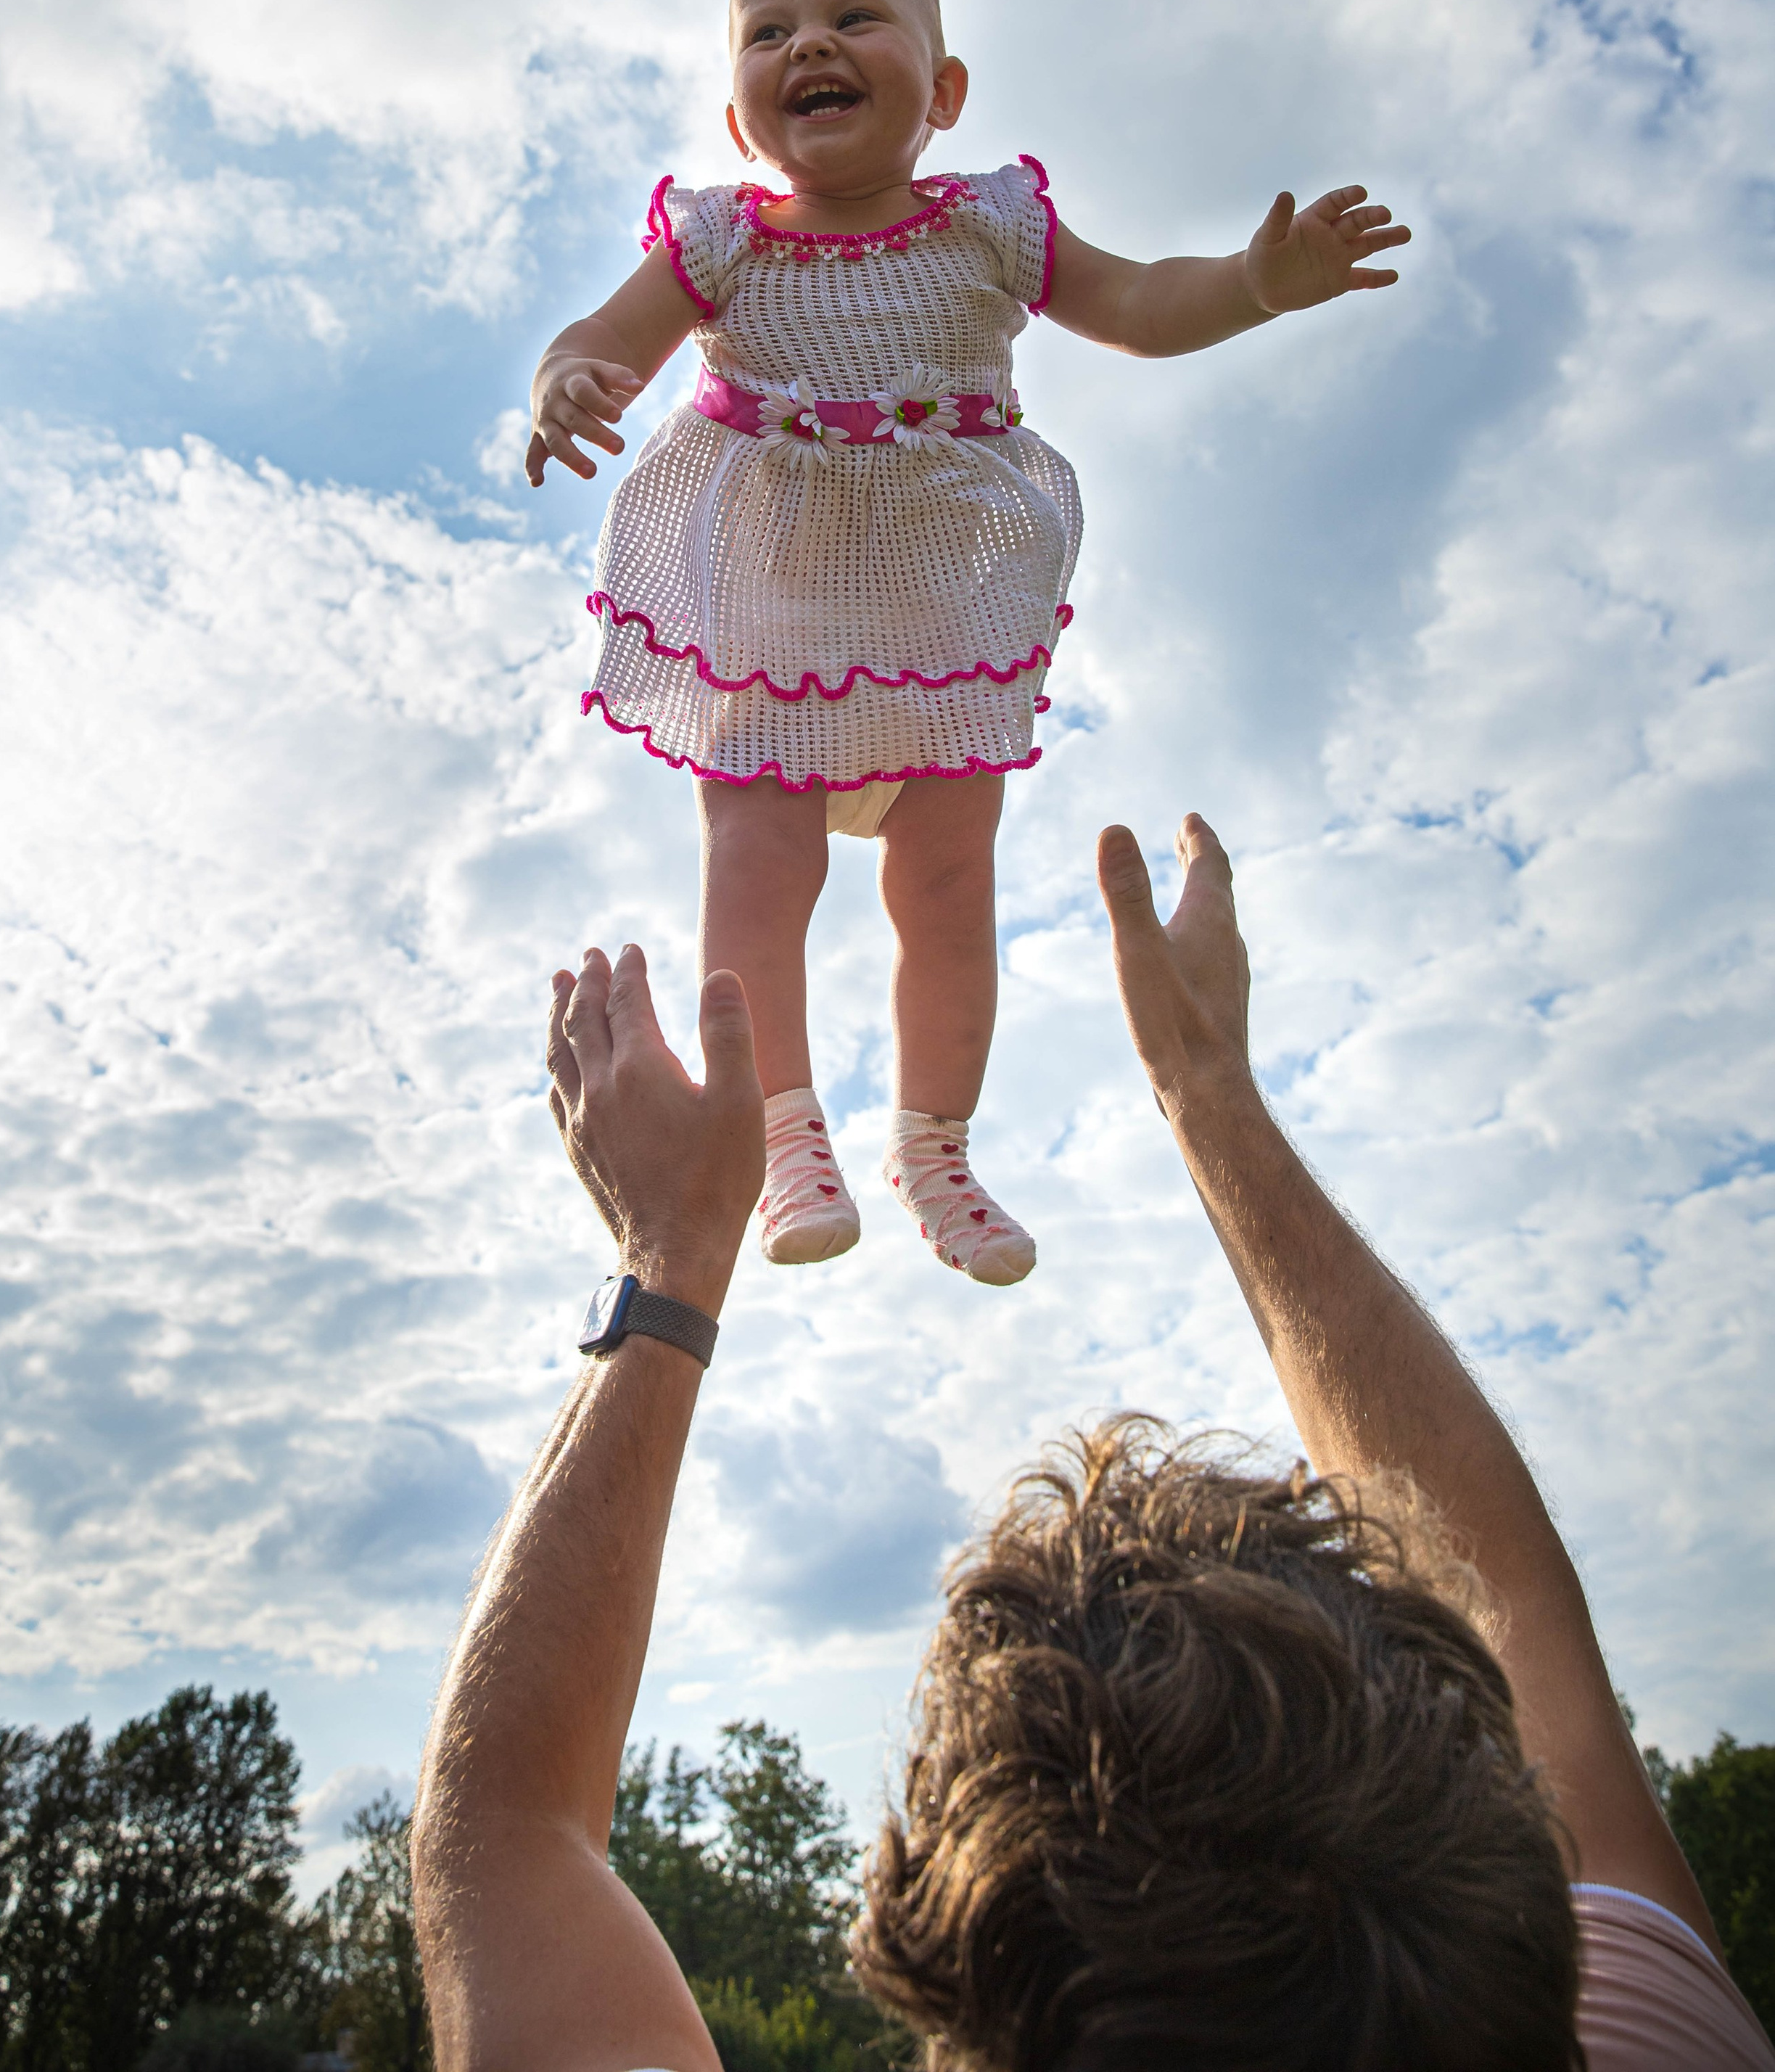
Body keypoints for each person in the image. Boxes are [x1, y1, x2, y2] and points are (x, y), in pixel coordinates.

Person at [411, 815, 1774, 2071]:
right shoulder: (1637, 2035)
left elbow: (504, 1838)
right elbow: (1518, 1602)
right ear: (1508, 1891)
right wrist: (1211, 1093)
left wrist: (668, 1257)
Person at [524, 0, 1409, 1286]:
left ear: (942, 93)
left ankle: (934, 1146)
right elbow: (605, 336)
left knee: (945, 881)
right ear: (740, 112)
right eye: (770, 32)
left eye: (854, 17)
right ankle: (782, 1128)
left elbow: (1135, 301)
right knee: (760, 862)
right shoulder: (722, 243)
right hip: (767, 625)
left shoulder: (994, 226)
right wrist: (567, 378)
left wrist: (1250, 285)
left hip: (936, 629)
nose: (809, 41)